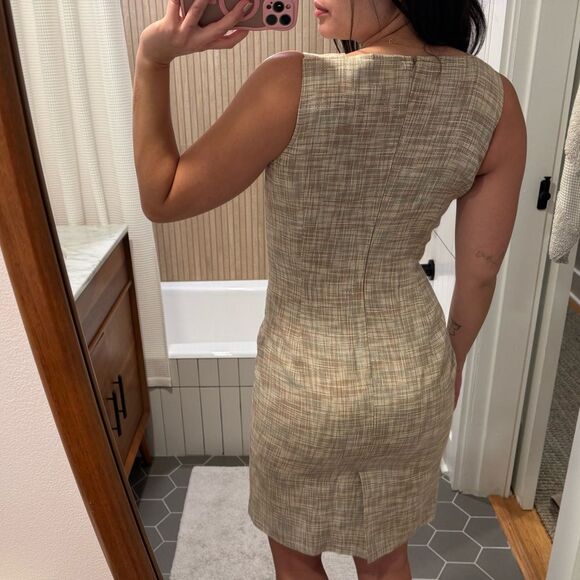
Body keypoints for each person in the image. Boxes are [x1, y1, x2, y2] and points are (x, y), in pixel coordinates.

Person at [133, 0, 526, 577]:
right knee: (386, 557)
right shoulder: (495, 100)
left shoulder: (289, 82)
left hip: (303, 381)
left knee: (296, 555)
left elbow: (162, 194)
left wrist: (153, 59)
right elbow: (481, 271)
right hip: (413, 372)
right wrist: (454, 360)